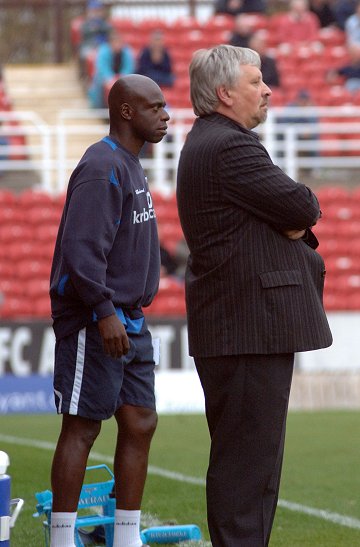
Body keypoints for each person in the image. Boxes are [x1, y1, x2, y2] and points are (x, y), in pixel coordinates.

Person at [176, 45, 332, 546]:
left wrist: (290, 221)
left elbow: (290, 214)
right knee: (248, 468)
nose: (267, 90)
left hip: (236, 325)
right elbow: (300, 203)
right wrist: (292, 219)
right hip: (247, 326)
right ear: (224, 93)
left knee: (245, 464)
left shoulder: (210, 141)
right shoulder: (230, 146)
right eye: (255, 81)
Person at [49, 74, 170, 547]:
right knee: (82, 426)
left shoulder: (132, 164)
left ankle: (126, 536)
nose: (165, 115)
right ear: (126, 111)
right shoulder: (102, 165)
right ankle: (61, 538)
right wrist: (102, 311)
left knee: (140, 421)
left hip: (130, 317)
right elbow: (81, 251)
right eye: (155, 107)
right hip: (96, 318)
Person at [88, 30, 135, 108]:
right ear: (110, 43)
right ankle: (100, 108)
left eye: (119, 42)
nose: (117, 45)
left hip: (122, 78)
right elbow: (102, 68)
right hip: (105, 78)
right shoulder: (103, 51)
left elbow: (129, 68)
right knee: (99, 82)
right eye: (115, 42)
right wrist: (110, 79)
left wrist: (121, 78)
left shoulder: (127, 52)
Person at [78, 0, 113, 80]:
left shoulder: (104, 22)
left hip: (102, 46)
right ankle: (85, 76)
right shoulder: (86, 23)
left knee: (104, 55)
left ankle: (102, 77)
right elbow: (84, 34)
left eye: (98, 11)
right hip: (89, 46)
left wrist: (98, 26)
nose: (95, 13)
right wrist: (94, 28)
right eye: (93, 10)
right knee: (85, 54)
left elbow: (108, 30)